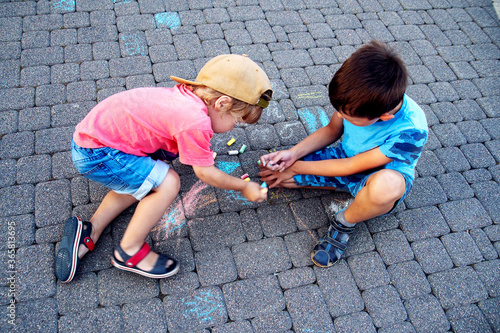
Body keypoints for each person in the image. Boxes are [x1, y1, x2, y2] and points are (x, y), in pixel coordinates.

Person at [55, 54, 272, 282]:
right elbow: (205, 172)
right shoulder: (195, 122)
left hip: (92, 141)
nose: (232, 129)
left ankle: (90, 230)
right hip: (99, 153)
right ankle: (129, 251)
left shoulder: (187, 96)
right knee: (168, 183)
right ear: (222, 103)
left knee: (142, 180)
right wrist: (244, 187)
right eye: (236, 121)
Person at [259, 40, 428, 268]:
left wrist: (298, 167)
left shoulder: (411, 130)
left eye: (347, 116)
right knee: (275, 175)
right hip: (346, 159)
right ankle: (343, 187)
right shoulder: (358, 99)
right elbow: (331, 130)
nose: (341, 115)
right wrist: (292, 154)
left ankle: (344, 223)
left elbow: (352, 166)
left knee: (384, 188)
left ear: (384, 116)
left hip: (379, 175)